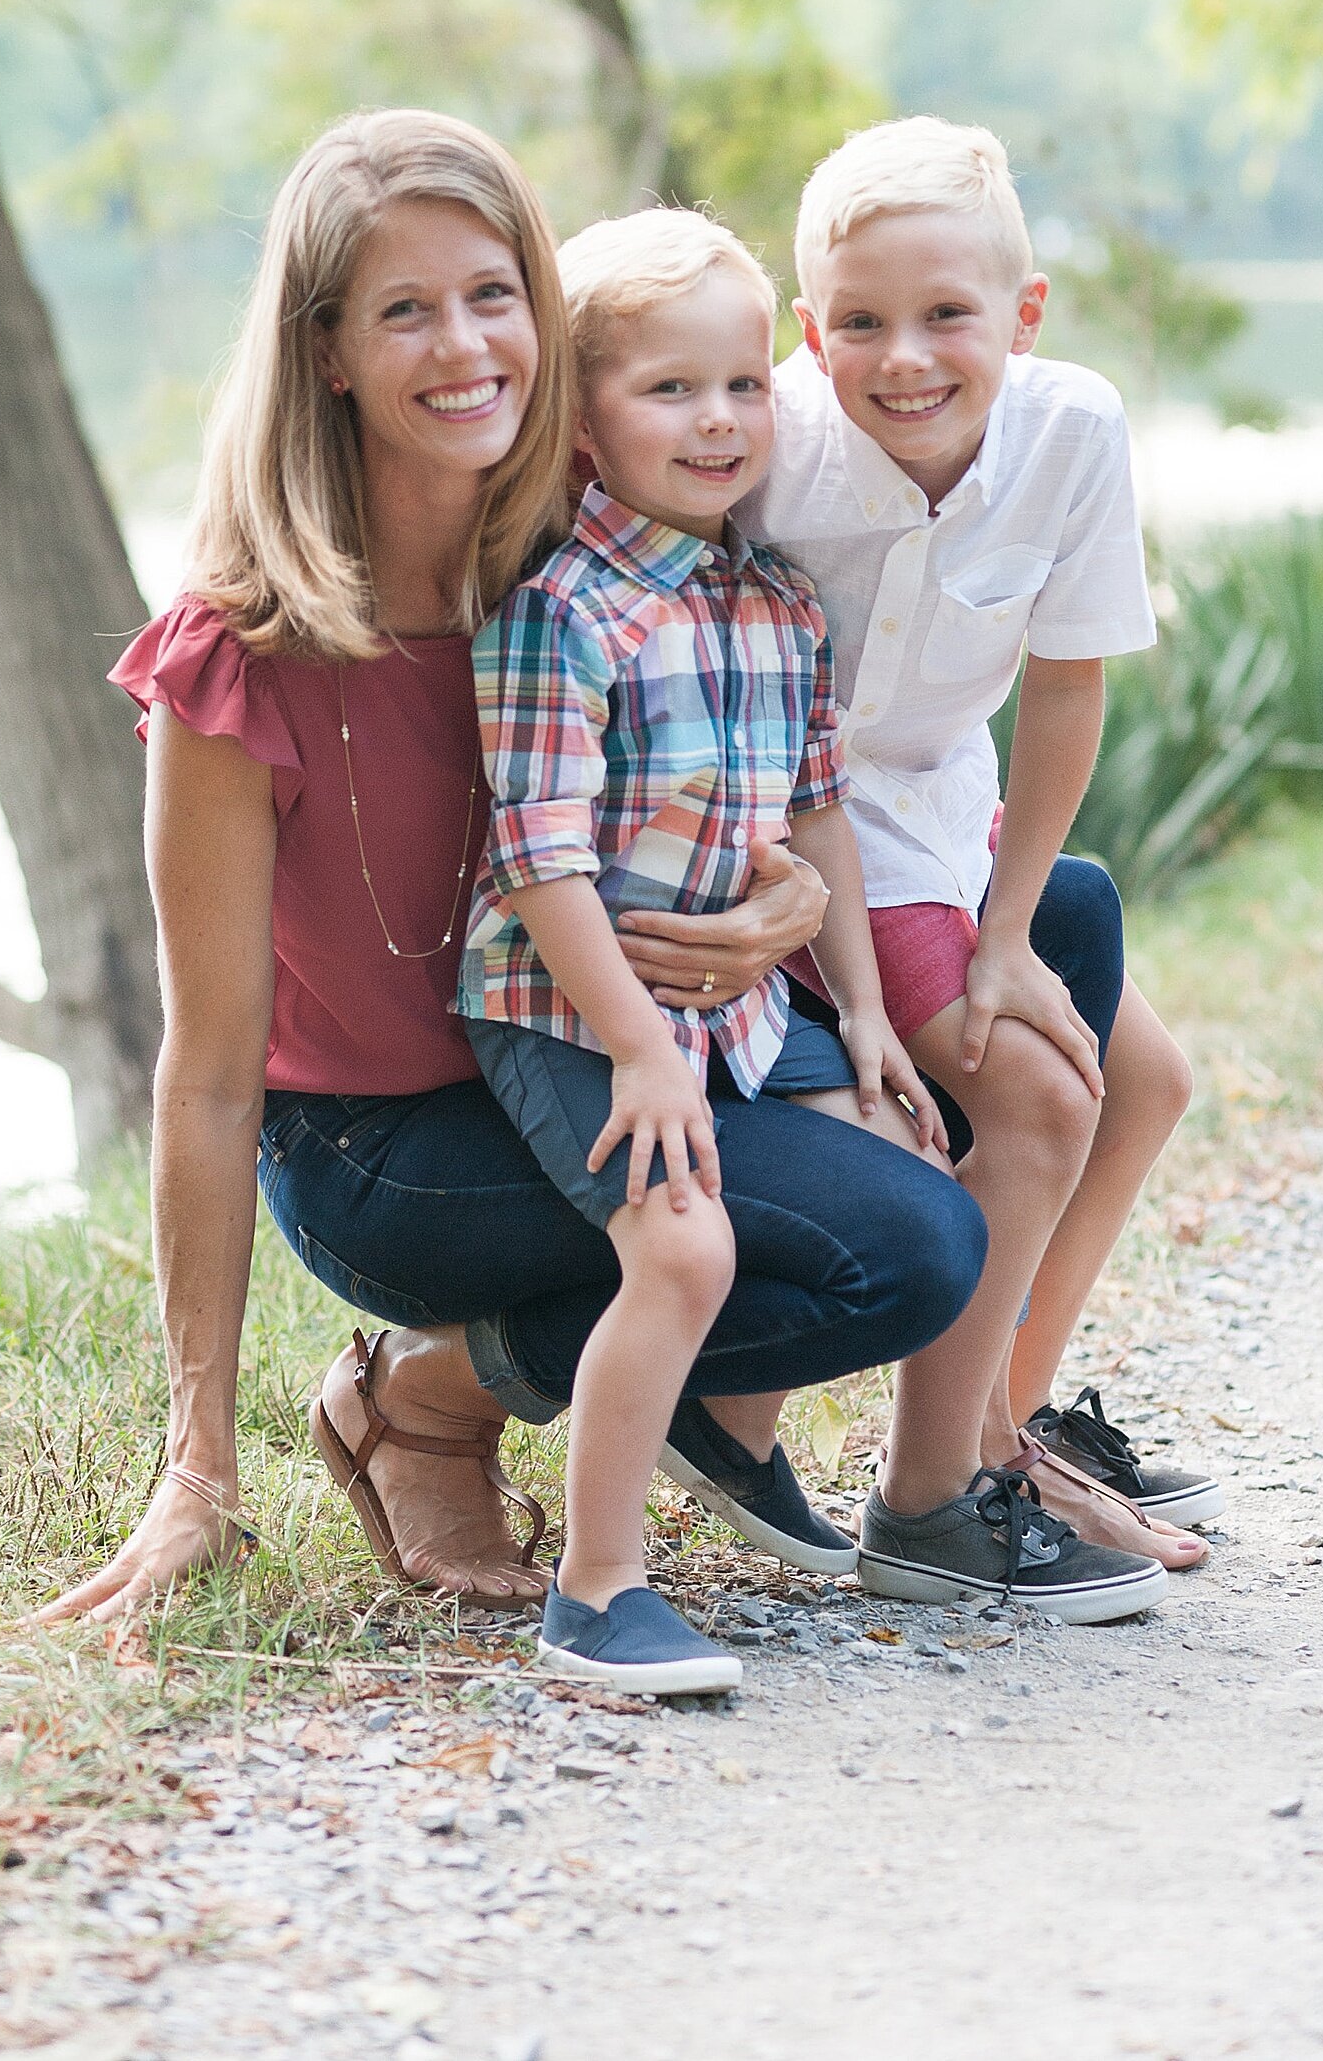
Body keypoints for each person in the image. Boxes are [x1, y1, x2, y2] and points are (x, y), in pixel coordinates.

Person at [37, 110, 989, 1630]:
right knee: (903, 1245)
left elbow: (742, 765)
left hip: (593, 1035)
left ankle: (987, 1451)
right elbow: (210, 1077)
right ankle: (422, 1389)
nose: (464, 343)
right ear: (330, 350)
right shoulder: (240, 652)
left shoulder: (587, 545)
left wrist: (789, 907)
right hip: (390, 1147)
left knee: (1038, 922)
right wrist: (193, 1466)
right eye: (404, 308)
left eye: (493, 293)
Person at [456, 212, 952, 1691]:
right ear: (584, 417)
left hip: (732, 1008)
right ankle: (597, 1591)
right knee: (682, 1245)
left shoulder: (778, 601)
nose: (720, 419)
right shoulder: (563, 615)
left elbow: (820, 812)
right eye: (670, 389)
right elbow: (534, 855)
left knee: (908, 1162)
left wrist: (862, 1012)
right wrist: (635, 1045)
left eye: (744, 385)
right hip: (567, 1005)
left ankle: (732, 1432)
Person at [740, 114, 1221, 1609]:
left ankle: (1003, 1421)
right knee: (1036, 1089)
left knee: (1147, 1081)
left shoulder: (1071, 431)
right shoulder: (766, 446)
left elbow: (1066, 688)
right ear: (808, 330)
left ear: (1021, 315)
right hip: (809, 828)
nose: (905, 358)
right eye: (862, 322)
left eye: (948, 314)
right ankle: (929, 1497)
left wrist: (1009, 929)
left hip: (949, 813)